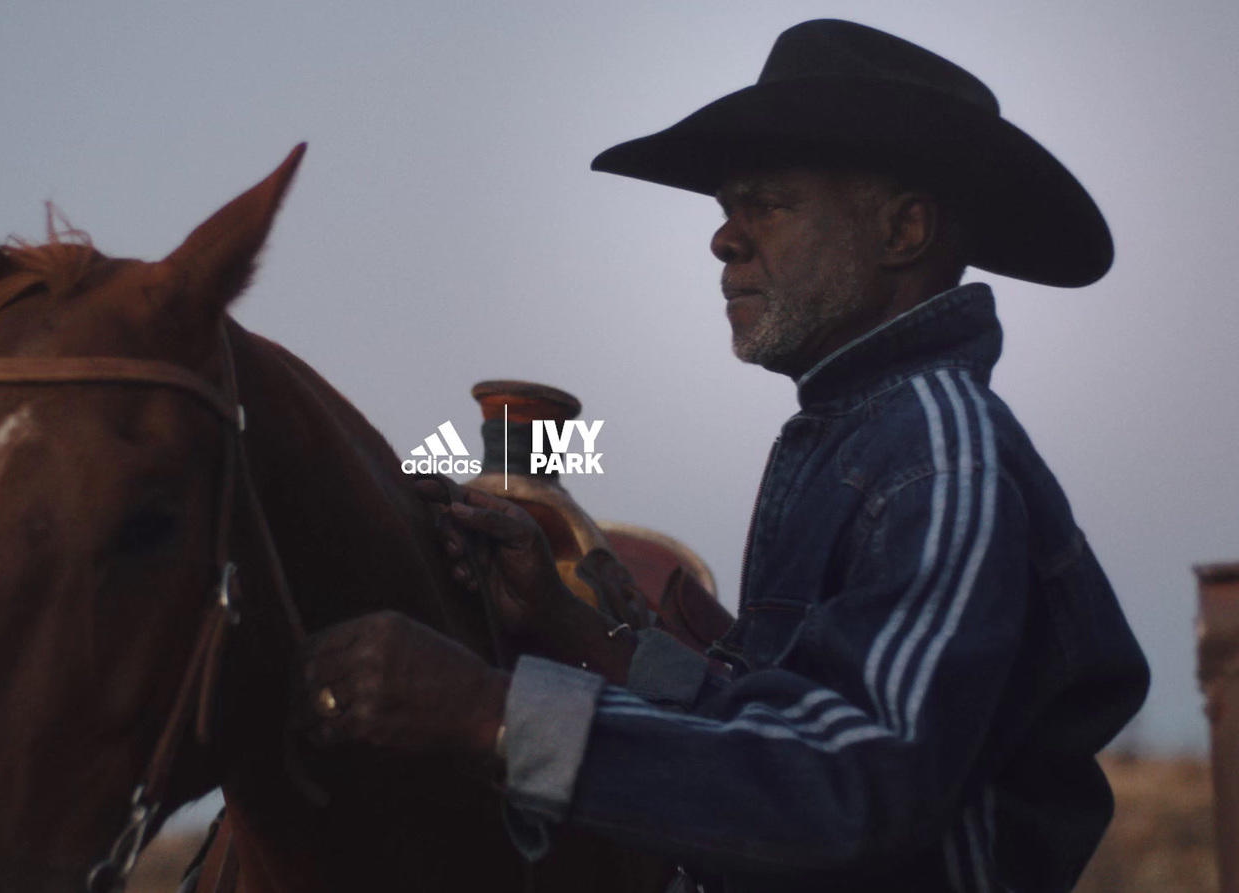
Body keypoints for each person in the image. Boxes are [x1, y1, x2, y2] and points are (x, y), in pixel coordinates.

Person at [296, 19, 1150, 892]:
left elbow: (856, 788)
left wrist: (486, 713)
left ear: (904, 229)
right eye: (725, 208)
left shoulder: (937, 454)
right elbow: (771, 728)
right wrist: (569, 622)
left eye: (767, 203)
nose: (725, 238)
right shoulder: (859, 437)